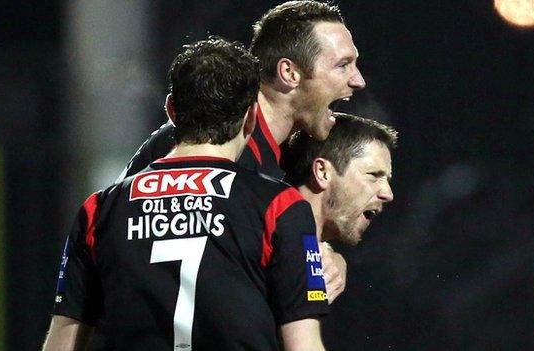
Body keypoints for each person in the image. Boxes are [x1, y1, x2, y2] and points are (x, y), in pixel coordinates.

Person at [43, 38, 327, 351]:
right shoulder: (281, 207)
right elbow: (304, 345)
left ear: (172, 111)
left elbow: (62, 344)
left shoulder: (98, 210)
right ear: (251, 119)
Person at [118, 0, 366, 303]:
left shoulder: (291, 152)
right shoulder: (208, 141)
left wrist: (326, 258)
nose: (358, 80)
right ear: (289, 73)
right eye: (342, 65)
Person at [282, 113, 397, 245]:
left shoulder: (305, 245)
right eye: (373, 175)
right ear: (322, 172)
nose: (388, 194)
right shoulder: (265, 237)